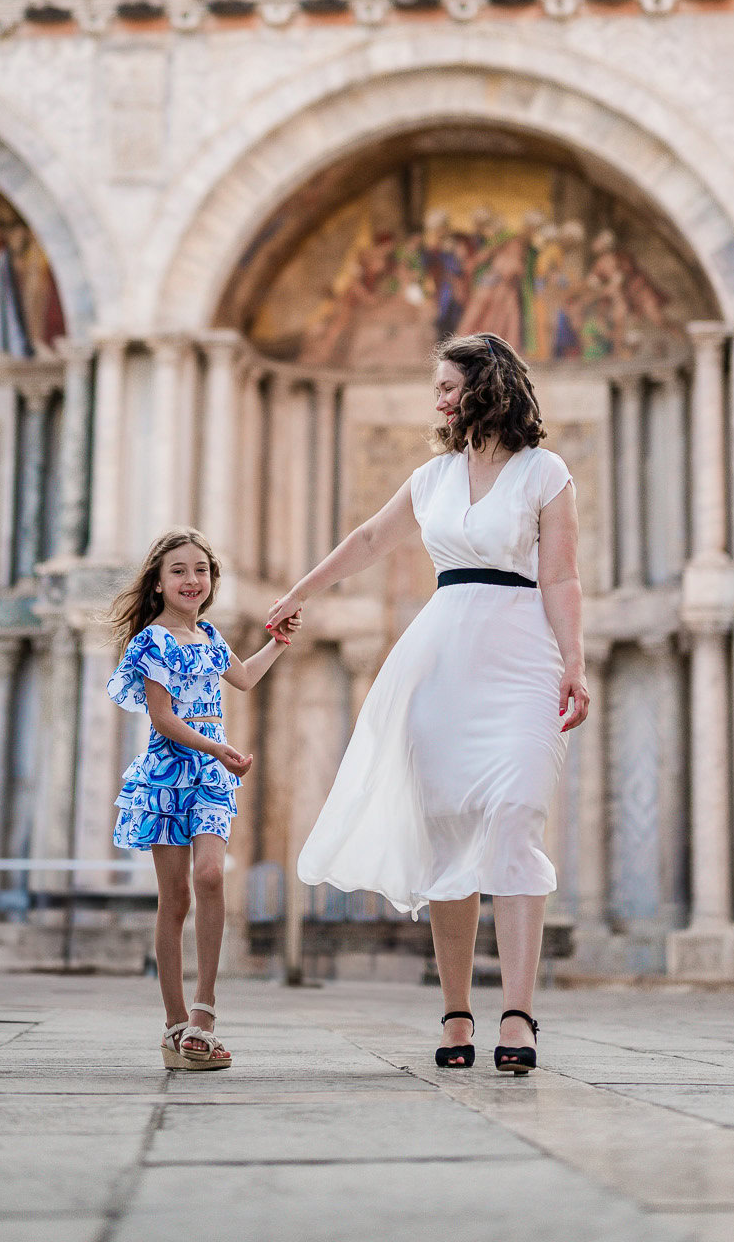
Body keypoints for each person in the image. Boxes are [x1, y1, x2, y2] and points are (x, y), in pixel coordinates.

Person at [266, 332, 590, 1074]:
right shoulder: (432, 477)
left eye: (448, 385)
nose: (438, 398)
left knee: (514, 814)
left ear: (488, 385)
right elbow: (370, 539)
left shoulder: (547, 473)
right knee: (448, 835)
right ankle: (454, 1011)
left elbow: (563, 578)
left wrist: (574, 663)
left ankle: (518, 1012)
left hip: (523, 657)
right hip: (440, 659)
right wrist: (299, 592)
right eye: (437, 386)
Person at [108, 528, 298, 1072]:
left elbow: (242, 678)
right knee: (176, 899)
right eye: (179, 571)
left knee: (211, 875)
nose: (192, 580)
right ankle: (173, 1025)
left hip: (213, 775)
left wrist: (278, 643)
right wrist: (218, 746)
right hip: (169, 774)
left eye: (201, 570)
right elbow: (163, 718)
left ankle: (204, 1013)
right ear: (160, 583)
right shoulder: (150, 641)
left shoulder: (211, 636)